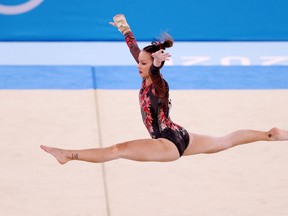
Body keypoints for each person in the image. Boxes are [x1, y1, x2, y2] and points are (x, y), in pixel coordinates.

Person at [40, 14, 288, 164]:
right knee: (225, 141)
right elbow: (135, 50)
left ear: (154, 66)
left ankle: (67, 155)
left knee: (116, 150)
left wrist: (156, 65)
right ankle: (272, 134)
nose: (139, 66)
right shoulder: (146, 69)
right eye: (140, 63)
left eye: (144, 64)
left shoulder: (159, 84)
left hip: (167, 143)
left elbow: (156, 75)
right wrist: (124, 28)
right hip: (181, 135)